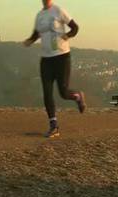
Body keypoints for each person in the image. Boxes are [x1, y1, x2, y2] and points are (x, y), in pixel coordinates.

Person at [24, 0, 86, 138]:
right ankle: (54, 126)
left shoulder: (59, 10)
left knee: (63, 92)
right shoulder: (39, 15)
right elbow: (36, 34)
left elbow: (75, 28)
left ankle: (78, 96)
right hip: (46, 59)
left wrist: (67, 35)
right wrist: (29, 41)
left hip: (62, 57)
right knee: (47, 92)